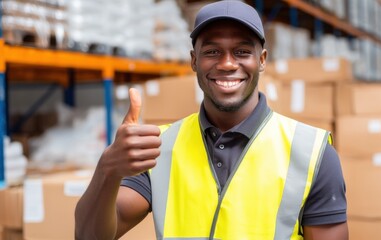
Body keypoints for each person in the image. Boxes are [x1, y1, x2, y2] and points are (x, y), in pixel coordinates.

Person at [75, 1, 348, 239]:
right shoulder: (160, 148)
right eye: (212, 51)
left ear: (262, 60)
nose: (227, 63)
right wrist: (107, 169)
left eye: (241, 51)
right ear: (194, 61)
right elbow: (90, 236)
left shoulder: (313, 153)